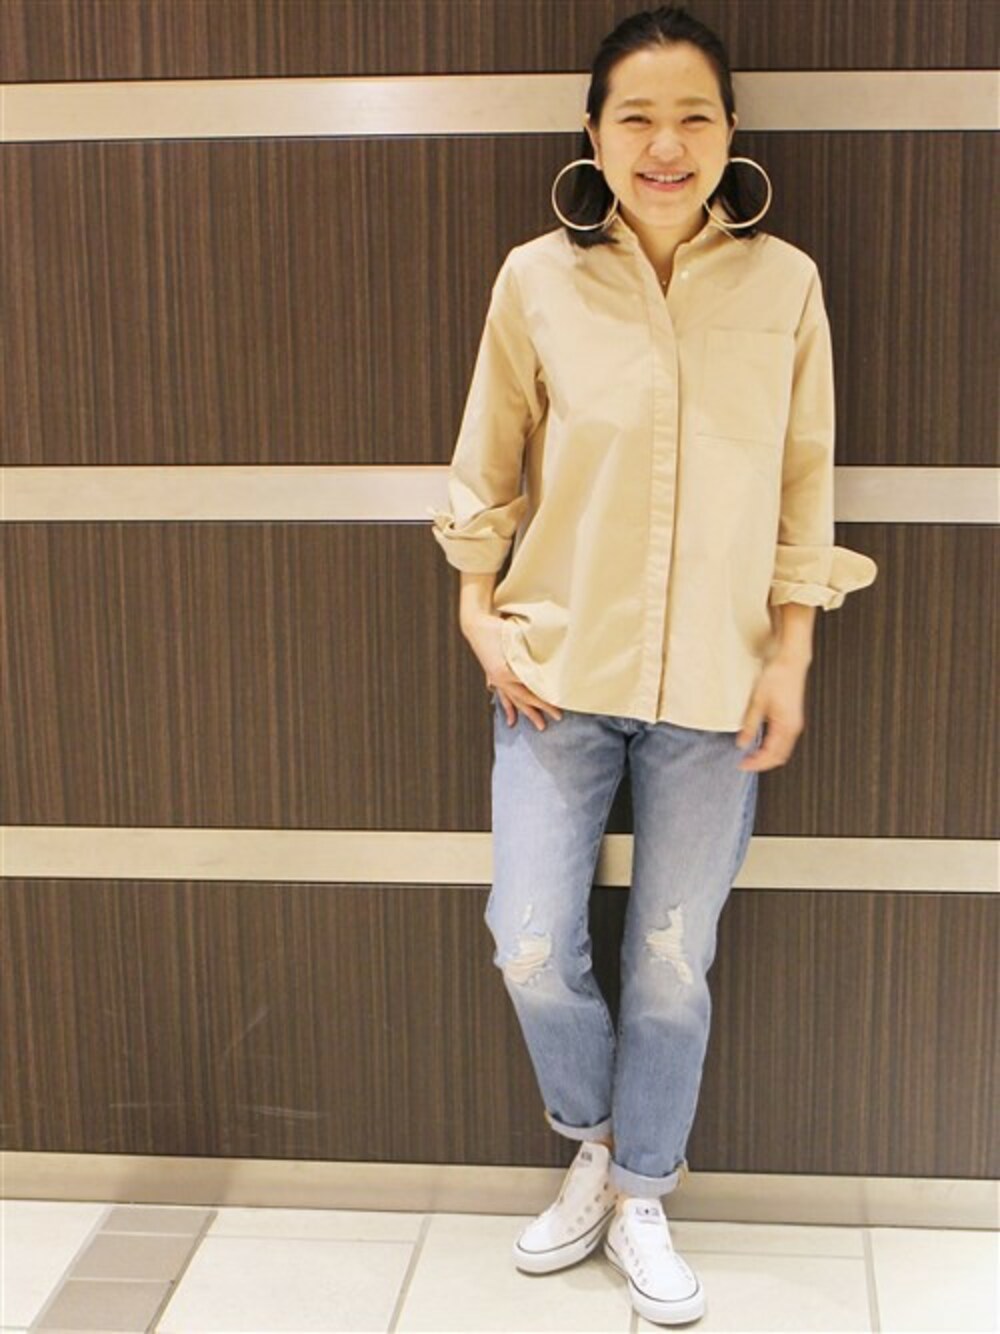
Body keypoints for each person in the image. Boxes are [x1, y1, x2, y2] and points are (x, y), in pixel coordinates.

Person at [429, 4, 877, 1326]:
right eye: (636, 117)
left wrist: (792, 654)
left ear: (732, 130)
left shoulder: (786, 286)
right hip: (556, 669)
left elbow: (805, 483)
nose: (665, 145)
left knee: (673, 960)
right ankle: (596, 1137)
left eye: (693, 116)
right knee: (527, 942)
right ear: (593, 131)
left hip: (719, 687)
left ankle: (642, 1188)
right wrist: (476, 613)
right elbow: (486, 460)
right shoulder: (537, 281)